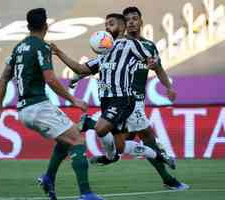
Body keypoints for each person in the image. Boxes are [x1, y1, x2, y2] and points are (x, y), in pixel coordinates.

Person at [0, 8, 103, 200]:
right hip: (38, 106)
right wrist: (73, 99)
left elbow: (3, 79)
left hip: (23, 110)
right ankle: (86, 194)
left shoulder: (18, 48)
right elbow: (50, 79)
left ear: (27, 26)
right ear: (46, 26)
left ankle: (49, 178)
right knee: (77, 141)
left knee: (65, 139)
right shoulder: (41, 46)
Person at [82, 6, 189, 191]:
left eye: (135, 18)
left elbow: (158, 68)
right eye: (128, 19)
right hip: (125, 100)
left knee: (125, 143)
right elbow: (98, 67)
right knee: (147, 137)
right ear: (124, 24)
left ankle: (111, 156)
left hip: (135, 100)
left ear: (141, 22)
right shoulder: (115, 45)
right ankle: (168, 179)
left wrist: (169, 87)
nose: (131, 22)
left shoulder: (148, 46)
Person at [51, 13, 175, 167]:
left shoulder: (130, 45)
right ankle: (159, 156)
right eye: (106, 25)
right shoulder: (104, 53)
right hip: (107, 101)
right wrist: (59, 53)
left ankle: (105, 149)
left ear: (122, 27)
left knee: (100, 128)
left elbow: (152, 60)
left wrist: (153, 63)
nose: (107, 28)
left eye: (111, 24)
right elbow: (80, 68)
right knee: (121, 147)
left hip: (122, 99)